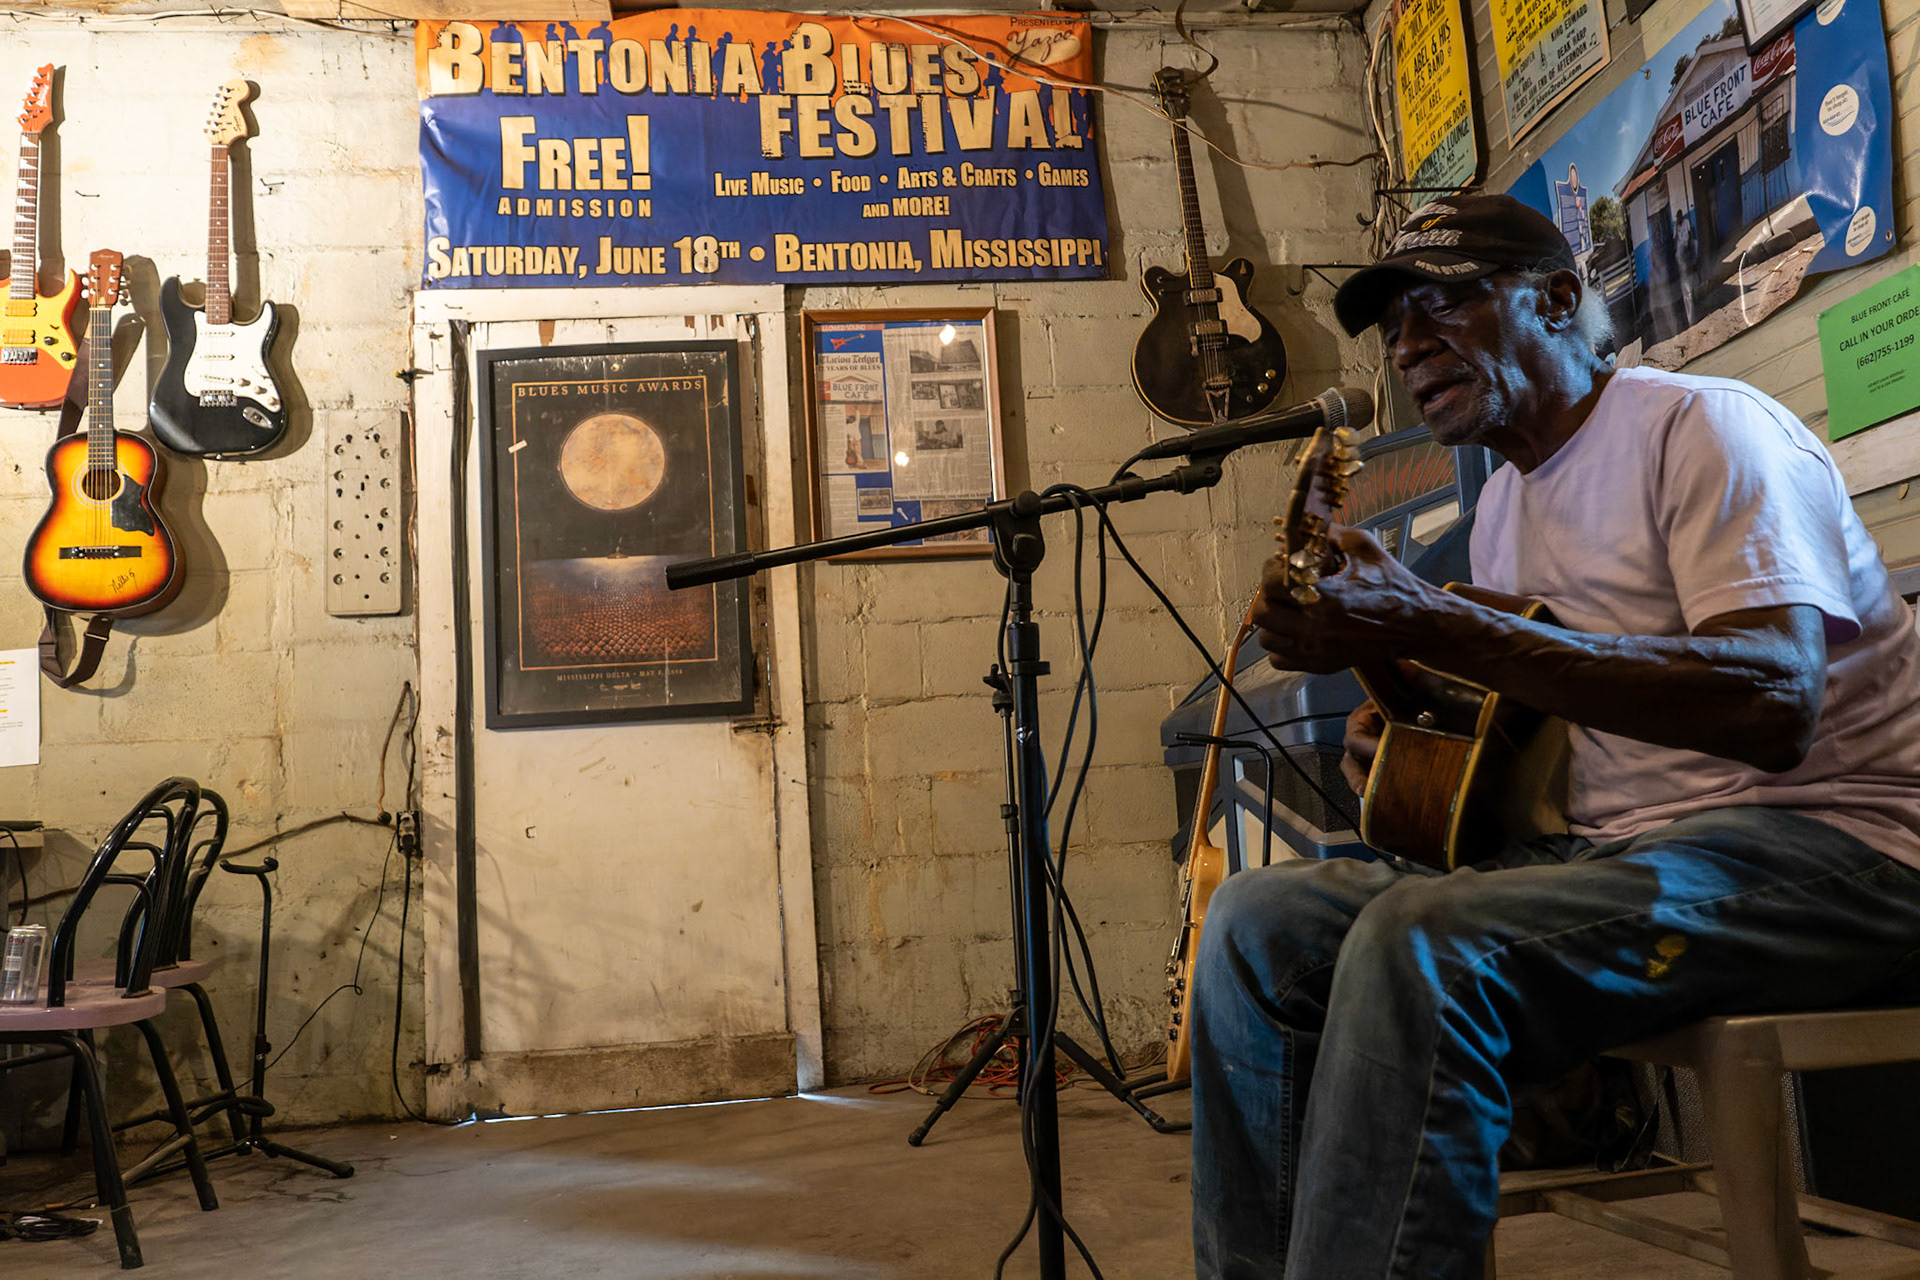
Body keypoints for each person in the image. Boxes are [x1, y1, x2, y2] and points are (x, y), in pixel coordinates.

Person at [1188, 193, 1920, 1280]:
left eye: (1443, 304)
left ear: (1560, 296)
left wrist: (1436, 620)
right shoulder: (1503, 511)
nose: (1409, 346)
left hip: (1834, 849)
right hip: (1624, 852)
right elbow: (1518, 722)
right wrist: (1393, 705)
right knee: (1256, 921)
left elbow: (1774, 704)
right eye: (1395, 328)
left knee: (1425, 942)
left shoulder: (1702, 426)